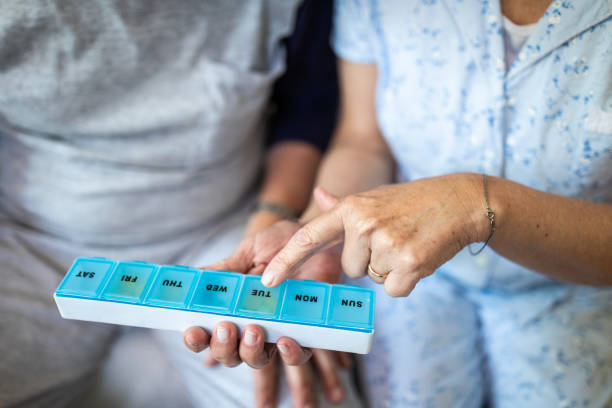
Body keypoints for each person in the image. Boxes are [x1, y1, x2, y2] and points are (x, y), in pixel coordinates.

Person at [191, 0, 612, 406]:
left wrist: (481, 205)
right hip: (407, 278)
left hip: (573, 278)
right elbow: (363, 142)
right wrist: (318, 234)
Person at [0, 1, 361, 407]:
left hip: (230, 235)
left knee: (306, 397)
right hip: (35, 241)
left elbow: (306, 111)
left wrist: (273, 221)